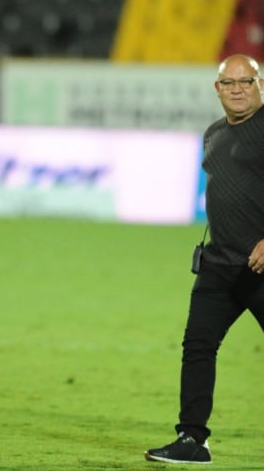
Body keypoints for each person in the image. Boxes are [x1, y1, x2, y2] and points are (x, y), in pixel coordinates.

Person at [145, 54, 264, 464]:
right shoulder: (213, 133)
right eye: (229, 83)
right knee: (197, 346)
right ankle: (192, 439)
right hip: (218, 265)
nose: (237, 89)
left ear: (259, 84)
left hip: (260, 266)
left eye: (245, 82)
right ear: (217, 88)